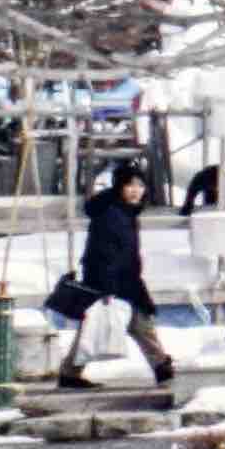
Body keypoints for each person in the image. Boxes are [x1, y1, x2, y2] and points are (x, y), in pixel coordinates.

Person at [43, 159, 177, 389]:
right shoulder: (112, 213)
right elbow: (103, 252)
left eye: (140, 185)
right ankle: (160, 366)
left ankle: (71, 372)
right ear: (119, 187)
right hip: (111, 280)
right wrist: (108, 288)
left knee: (125, 322)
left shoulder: (124, 211)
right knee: (118, 323)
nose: (136, 190)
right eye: (130, 185)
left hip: (122, 278)